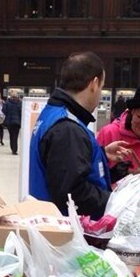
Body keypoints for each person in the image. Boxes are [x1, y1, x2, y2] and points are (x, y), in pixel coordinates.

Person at [28, 51, 127, 218]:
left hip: (52, 224)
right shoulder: (67, 129)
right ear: (94, 84)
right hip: (66, 233)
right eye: (102, 87)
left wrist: (101, 155)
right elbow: (72, 193)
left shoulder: (55, 115)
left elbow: (64, 169)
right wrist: (117, 203)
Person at [3, 89, 22, 155]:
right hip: (17, 122)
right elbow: (21, 112)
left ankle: (13, 148)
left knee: (11, 135)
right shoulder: (20, 103)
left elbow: (4, 111)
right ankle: (15, 149)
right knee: (15, 136)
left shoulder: (7, 102)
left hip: (9, 121)